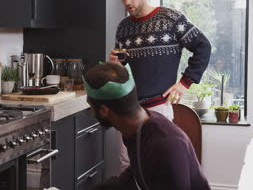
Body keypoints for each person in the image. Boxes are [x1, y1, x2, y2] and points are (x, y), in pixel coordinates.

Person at [110, 0, 212, 171]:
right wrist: (115, 65)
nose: (127, 2)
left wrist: (185, 83)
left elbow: (203, 47)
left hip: (158, 108)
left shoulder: (170, 19)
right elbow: (123, 71)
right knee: (127, 165)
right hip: (128, 107)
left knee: (158, 166)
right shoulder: (123, 27)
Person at [83, 62, 210, 190]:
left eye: (91, 106)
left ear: (104, 110)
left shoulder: (165, 145)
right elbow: (135, 176)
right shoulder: (136, 129)